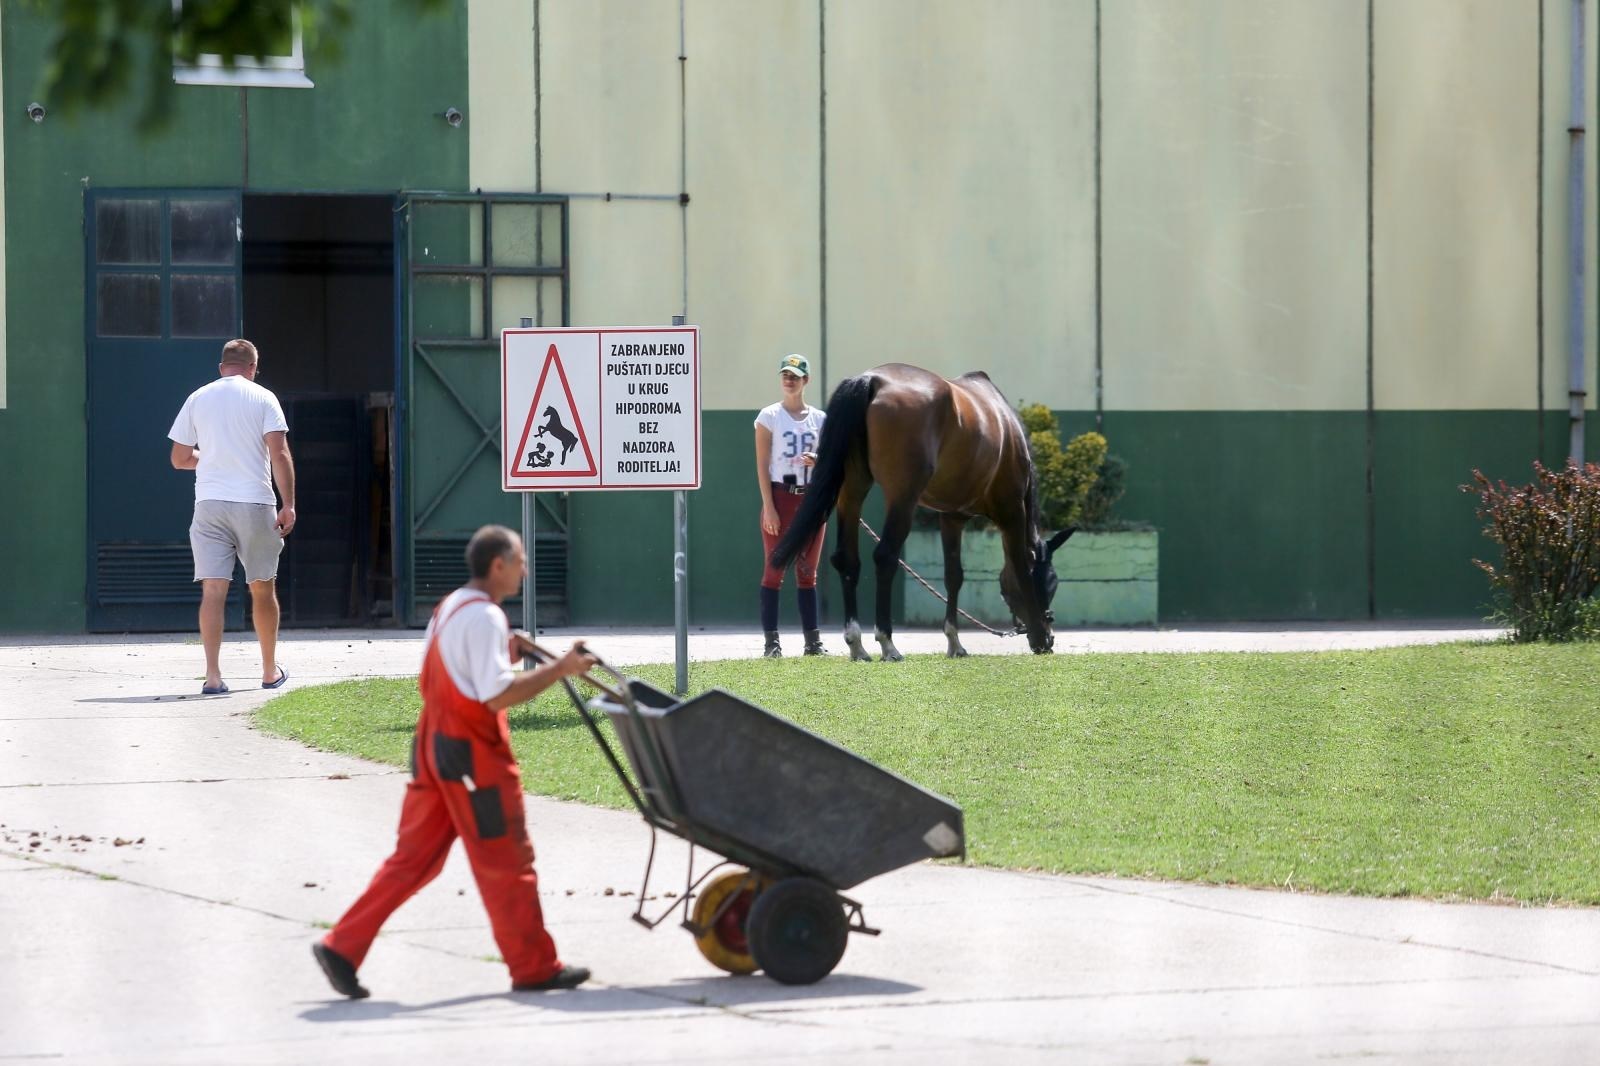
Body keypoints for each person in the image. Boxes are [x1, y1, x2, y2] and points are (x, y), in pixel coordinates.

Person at [313, 525, 598, 999]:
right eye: (521, 560)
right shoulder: (485, 617)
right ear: (498, 565)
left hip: (433, 749)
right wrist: (562, 669)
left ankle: (342, 945)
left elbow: (462, 667)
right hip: (472, 762)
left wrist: (512, 646)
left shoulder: (454, 606)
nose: (526, 568)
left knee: (412, 861)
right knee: (507, 859)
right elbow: (496, 694)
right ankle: (534, 967)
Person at [167, 338, 295, 695]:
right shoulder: (264, 397)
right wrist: (289, 503)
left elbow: (179, 458)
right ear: (253, 368)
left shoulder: (198, 397)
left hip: (209, 505)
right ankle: (269, 672)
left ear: (222, 367)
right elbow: (279, 454)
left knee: (212, 590)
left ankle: (212, 676)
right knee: (262, 588)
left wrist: (206, 459)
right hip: (254, 503)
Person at [754, 353, 828, 658]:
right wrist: (768, 506)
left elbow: (834, 463)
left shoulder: (821, 419)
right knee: (774, 571)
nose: (789, 380)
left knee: (808, 572)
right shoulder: (769, 416)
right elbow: (761, 463)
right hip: (780, 496)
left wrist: (819, 460)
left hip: (811, 500)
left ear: (805, 381)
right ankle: (772, 643)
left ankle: (813, 643)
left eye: (795, 376)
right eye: (785, 375)